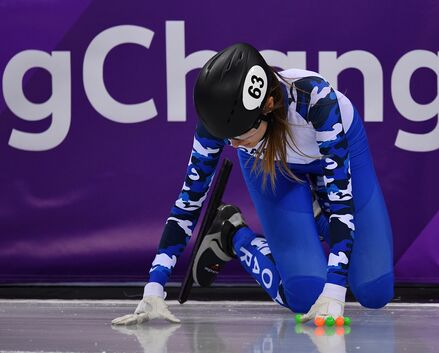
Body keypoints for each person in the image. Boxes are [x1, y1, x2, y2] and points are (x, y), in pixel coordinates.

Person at [112, 43, 394, 326]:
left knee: (374, 292)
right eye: (226, 136)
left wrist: (334, 290)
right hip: (270, 165)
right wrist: (154, 288)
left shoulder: (316, 100)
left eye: (239, 135)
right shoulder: (221, 123)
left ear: (268, 107)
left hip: (333, 162)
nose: (232, 144)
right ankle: (232, 233)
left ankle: (315, 214)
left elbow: (342, 202)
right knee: (305, 296)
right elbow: (189, 201)